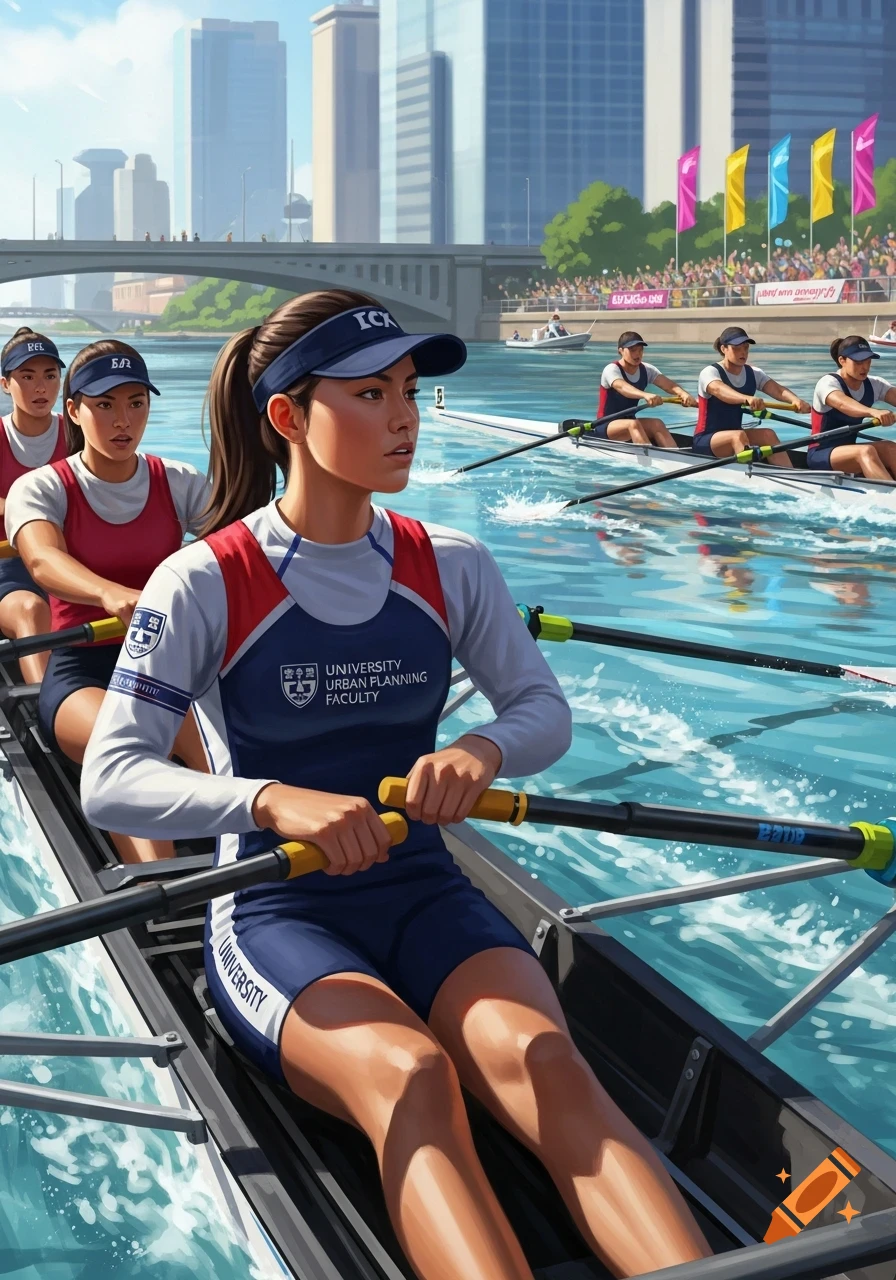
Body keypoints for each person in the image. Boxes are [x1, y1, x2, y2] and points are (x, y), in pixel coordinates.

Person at [80, 288, 711, 1280]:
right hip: (274, 908)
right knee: (412, 1075)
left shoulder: (448, 562)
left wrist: (481, 752)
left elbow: (541, 711)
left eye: (409, 391)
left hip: (424, 891)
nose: (404, 417)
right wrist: (270, 801)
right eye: (371, 393)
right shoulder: (201, 579)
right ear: (286, 417)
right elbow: (112, 780)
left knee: (550, 1063)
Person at [5, 340, 210, 864]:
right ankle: (163, 880)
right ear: (73, 410)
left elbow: (242, 546)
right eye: (104, 405)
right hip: (83, 668)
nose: (123, 420)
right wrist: (108, 593)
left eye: (136, 403)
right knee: (131, 738)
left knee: (215, 735)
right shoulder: (42, 487)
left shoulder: (181, 482)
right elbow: (43, 562)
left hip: (166, 662)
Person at [0, 328, 69, 683]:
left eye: (50, 375)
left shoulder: (79, 435)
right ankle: (47, 710)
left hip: (71, 560)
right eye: (27, 376)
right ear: (5, 384)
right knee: (31, 609)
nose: (40, 387)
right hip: (8, 568)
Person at [694, 327, 810, 466]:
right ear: (724, 348)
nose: (743, 352)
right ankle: (750, 474)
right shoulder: (710, 372)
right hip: (706, 440)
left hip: (735, 435)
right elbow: (719, 390)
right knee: (737, 436)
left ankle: (792, 476)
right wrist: (746, 398)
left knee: (768, 434)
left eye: (746, 347)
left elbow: (778, 390)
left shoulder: (754, 373)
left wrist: (796, 400)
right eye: (737, 348)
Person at [808, 336, 896, 478]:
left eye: (868, 360)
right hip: (820, 454)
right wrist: (873, 412)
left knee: (891, 448)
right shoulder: (827, 383)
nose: (865, 367)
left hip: (850, 451)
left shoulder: (875, 384)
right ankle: (890, 496)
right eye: (858, 361)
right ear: (842, 360)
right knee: (865, 451)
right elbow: (843, 403)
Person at [597, 331, 696, 448]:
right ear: (621, 351)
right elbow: (622, 387)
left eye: (640, 350)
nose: (637, 354)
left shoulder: (647, 369)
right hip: (606, 425)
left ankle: (676, 457)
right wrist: (645, 395)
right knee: (632, 424)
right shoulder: (611, 369)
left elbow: (670, 385)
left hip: (631, 422)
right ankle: (648, 459)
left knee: (657, 424)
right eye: (633, 350)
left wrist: (683, 394)